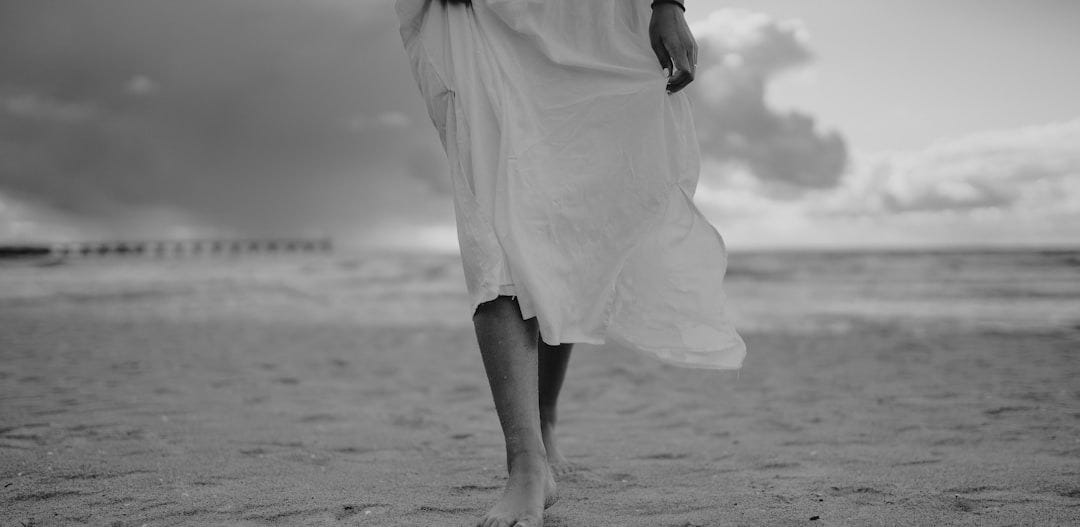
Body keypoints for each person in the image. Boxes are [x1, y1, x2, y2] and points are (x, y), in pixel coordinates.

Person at [394, 1, 746, 525]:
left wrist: (668, 5)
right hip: (476, 16)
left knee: (567, 222)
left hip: (591, 20)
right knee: (495, 232)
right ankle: (526, 464)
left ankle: (545, 417)